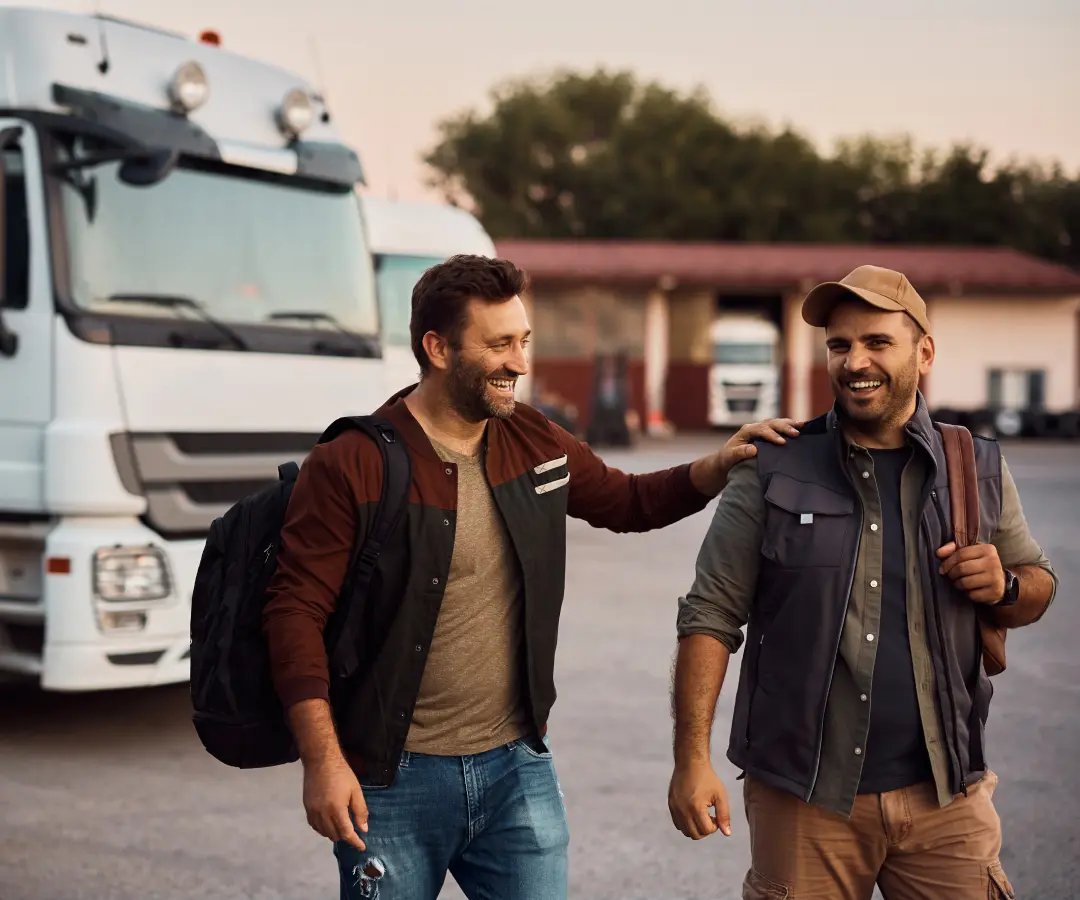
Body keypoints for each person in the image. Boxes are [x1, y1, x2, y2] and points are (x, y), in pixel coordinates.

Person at [261, 254, 800, 900]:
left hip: (517, 769)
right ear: (437, 348)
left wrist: (716, 464)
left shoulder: (532, 438)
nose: (519, 362)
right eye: (498, 345)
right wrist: (323, 762)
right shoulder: (355, 462)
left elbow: (625, 502)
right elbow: (294, 612)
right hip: (389, 781)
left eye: (523, 342)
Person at [668, 264, 1058, 900]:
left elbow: (1037, 582)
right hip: (804, 801)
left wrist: (1007, 586)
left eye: (877, 342)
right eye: (839, 345)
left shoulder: (974, 464)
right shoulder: (773, 464)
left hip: (947, 799)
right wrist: (692, 759)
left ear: (923, 353)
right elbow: (709, 614)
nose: (855, 361)